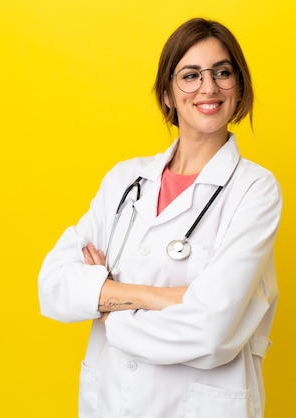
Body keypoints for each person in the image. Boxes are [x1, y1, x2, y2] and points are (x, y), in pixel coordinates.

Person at [38, 17, 282, 418]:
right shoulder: (124, 181)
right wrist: (158, 297)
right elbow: (53, 286)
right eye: (190, 75)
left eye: (223, 72)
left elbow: (210, 330)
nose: (209, 87)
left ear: (239, 86)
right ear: (167, 94)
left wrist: (105, 304)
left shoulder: (255, 190)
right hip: (111, 400)